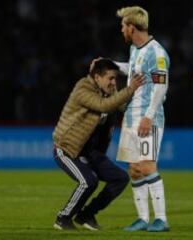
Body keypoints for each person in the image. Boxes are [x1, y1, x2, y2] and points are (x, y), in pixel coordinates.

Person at [52, 59, 144, 230]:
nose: (114, 83)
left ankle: (86, 215)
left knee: (120, 178)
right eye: (110, 79)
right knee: (88, 181)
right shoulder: (82, 88)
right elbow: (105, 106)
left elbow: (122, 105)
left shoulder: (107, 90)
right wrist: (131, 88)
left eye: (115, 79)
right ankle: (63, 218)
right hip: (67, 149)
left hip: (89, 152)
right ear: (97, 77)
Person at [114, 6, 170, 232]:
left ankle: (162, 219)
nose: (121, 30)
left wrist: (148, 117)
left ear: (132, 27)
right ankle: (142, 219)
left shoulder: (157, 52)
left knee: (147, 166)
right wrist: (111, 65)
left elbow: (161, 85)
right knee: (134, 169)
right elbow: (134, 71)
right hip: (130, 116)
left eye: (123, 26)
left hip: (148, 117)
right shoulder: (135, 50)